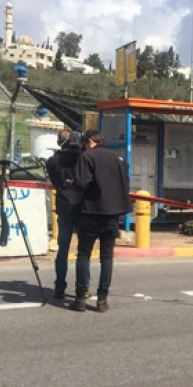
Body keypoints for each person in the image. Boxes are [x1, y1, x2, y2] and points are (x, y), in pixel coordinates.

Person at [71, 129, 131, 313]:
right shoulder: (119, 160)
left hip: (91, 213)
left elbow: (82, 182)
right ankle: (102, 300)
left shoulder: (87, 157)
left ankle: (81, 298)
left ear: (89, 141)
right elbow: (126, 184)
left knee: (83, 255)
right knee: (107, 258)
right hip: (112, 215)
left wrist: (71, 181)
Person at [45, 129, 84, 300]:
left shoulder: (54, 161)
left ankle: (59, 286)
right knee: (84, 252)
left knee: (63, 249)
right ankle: (83, 287)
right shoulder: (84, 159)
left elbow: (55, 180)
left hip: (64, 206)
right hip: (83, 208)